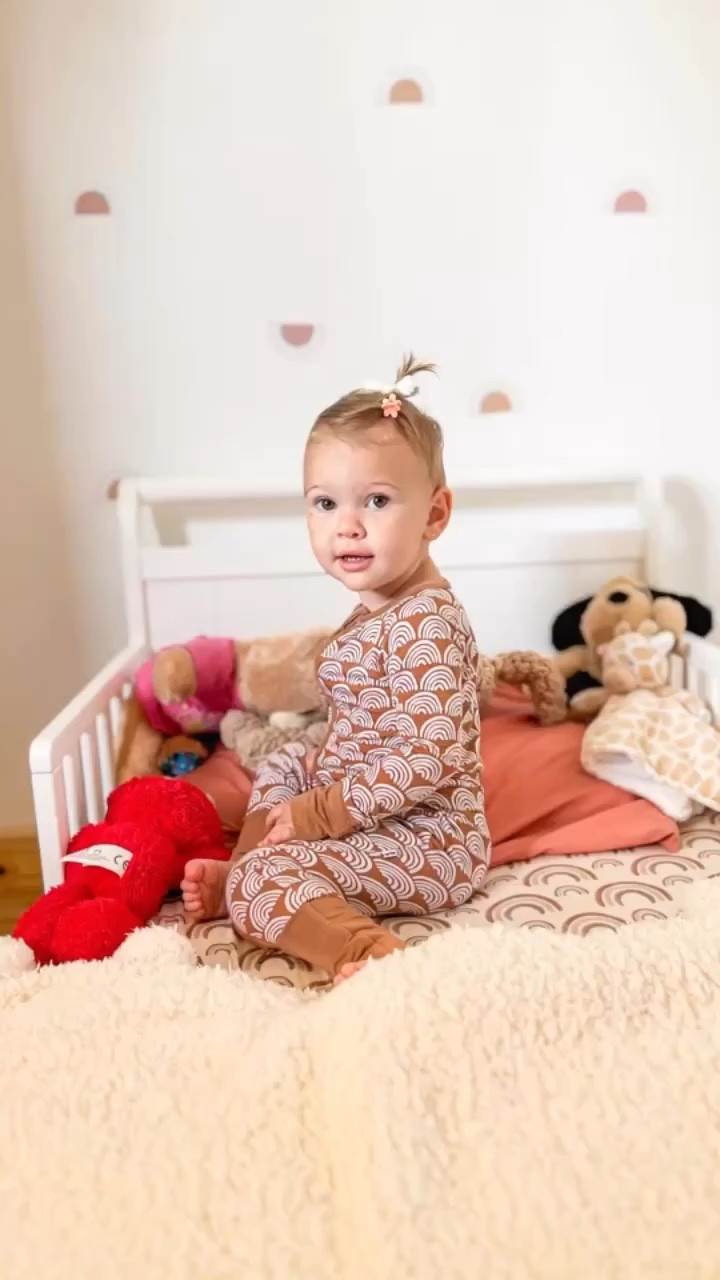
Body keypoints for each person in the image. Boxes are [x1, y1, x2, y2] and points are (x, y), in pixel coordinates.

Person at [182, 355, 489, 982]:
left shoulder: (427, 624)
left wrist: (320, 813)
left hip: (429, 838)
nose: (346, 526)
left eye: (376, 500)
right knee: (286, 760)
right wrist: (316, 789)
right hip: (364, 809)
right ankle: (244, 872)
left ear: (434, 515)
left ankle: (368, 956)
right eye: (325, 503)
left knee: (269, 882)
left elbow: (430, 756)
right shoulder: (379, 608)